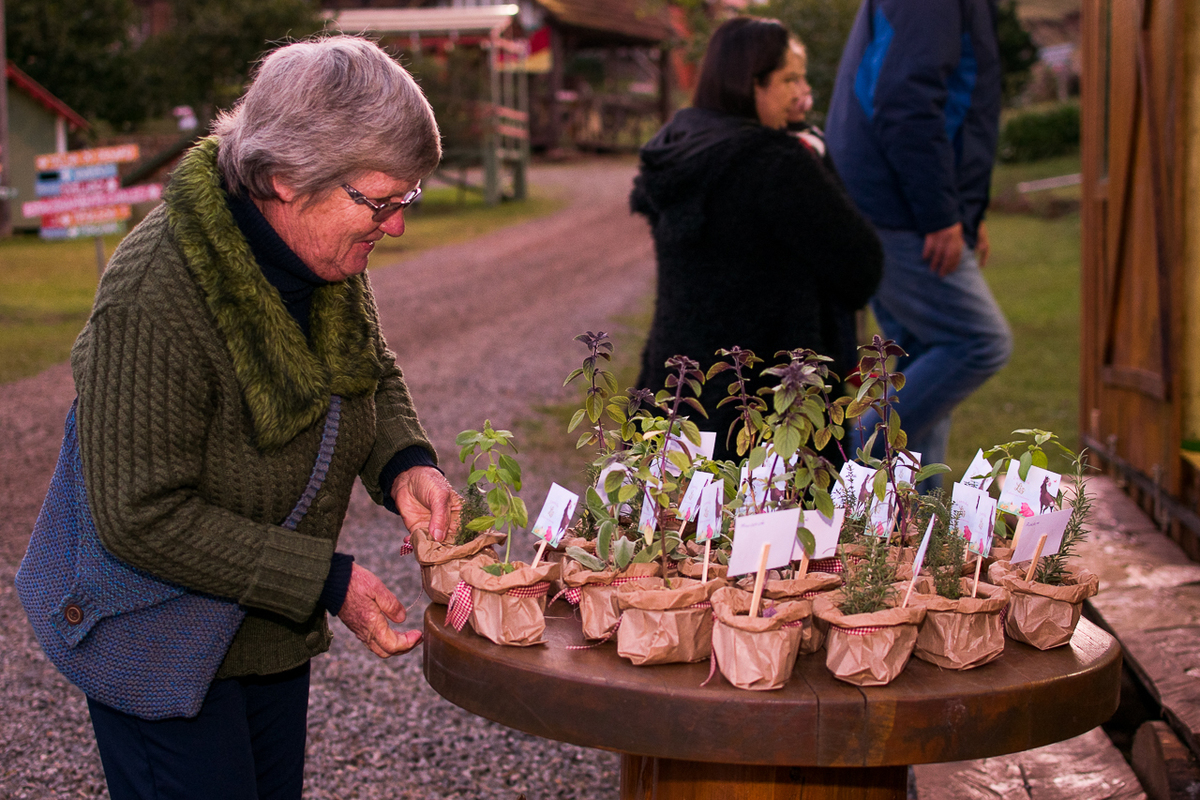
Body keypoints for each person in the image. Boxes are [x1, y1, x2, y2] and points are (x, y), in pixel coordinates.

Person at [68, 36, 457, 799]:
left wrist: (404, 462)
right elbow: (139, 516)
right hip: (160, 640)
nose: (396, 225)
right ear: (284, 177)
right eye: (381, 201)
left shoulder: (318, 254)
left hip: (264, 631)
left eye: (405, 200)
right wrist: (327, 579)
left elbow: (365, 370)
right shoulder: (154, 293)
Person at [632, 16, 883, 462]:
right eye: (789, 78)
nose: (800, 91)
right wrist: (817, 161)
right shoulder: (776, 163)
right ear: (753, 84)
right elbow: (861, 266)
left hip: (677, 387)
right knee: (785, 528)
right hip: (771, 399)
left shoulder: (678, 149)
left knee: (679, 524)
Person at [825, 0, 1014, 479]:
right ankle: (855, 458)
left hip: (891, 202)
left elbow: (954, 101)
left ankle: (908, 532)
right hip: (897, 208)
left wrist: (965, 212)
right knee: (977, 342)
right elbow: (905, 100)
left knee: (922, 365)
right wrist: (940, 213)